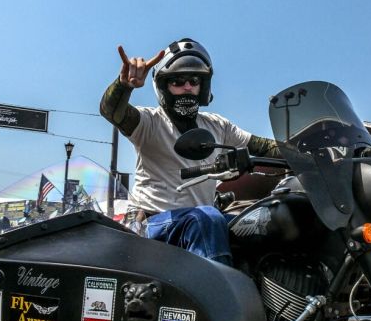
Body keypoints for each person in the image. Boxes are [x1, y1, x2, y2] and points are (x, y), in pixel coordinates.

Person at [100, 38, 279, 265]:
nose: (187, 87)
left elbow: (261, 146)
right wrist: (123, 85)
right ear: (164, 86)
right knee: (207, 218)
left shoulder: (217, 125)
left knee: (262, 222)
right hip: (153, 224)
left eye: (194, 80)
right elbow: (111, 111)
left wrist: (311, 147)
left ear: (202, 86)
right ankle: (219, 296)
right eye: (178, 81)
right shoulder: (149, 123)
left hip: (199, 221)